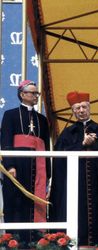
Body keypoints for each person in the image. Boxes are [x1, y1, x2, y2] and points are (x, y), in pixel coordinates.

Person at [49, 91, 98, 246]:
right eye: (77, 108)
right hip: (76, 184)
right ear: (73, 111)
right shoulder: (67, 133)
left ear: (89, 107)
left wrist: (95, 144)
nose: (81, 111)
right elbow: (60, 158)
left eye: (83, 107)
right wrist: (81, 145)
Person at [0, 80, 50, 245]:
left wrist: (48, 173)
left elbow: (47, 147)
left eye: (37, 93)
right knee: (16, 202)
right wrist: (10, 166)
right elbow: (6, 142)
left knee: (36, 203)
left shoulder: (42, 119)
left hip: (39, 167)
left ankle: (37, 241)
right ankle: (15, 242)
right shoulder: (10, 115)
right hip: (18, 167)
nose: (36, 96)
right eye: (33, 93)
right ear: (22, 94)